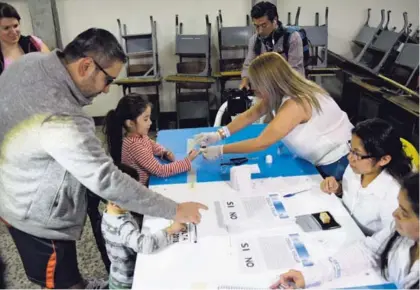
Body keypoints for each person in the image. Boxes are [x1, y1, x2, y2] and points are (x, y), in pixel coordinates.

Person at [0, 28, 207, 289]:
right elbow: (107, 180)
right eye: (108, 80)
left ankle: (78, 282)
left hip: (16, 184)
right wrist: (175, 209)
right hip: (33, 213)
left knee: (69, 273)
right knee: (60, 279)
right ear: (86, 66)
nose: (108, 90)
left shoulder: (31, 62)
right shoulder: (63, 118)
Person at [196, 52, 353, 181]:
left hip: (338, 163)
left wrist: (220, 150)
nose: (253, 88)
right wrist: (219, 134)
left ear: (268, 84)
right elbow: (252, 114)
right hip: (325, 157)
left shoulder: (296, 104)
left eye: (255, 83)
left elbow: (261, 143)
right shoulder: (283, 91)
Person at [271, 172, 419, 289]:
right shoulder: (399, 229)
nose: (394, 214)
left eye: (404, 212)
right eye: (399, 206)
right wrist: (309, 276)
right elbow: (368, 251)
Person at [102, 163, 188, 289]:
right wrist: (170, 230)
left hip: (117, 275)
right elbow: (145, 245)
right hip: (129, 282)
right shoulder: (123, 226)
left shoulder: (108, 214)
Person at [321, 119, 412, 236]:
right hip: (341, 227)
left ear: (384, 159)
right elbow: (352, 195)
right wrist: (337, 188)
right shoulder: (356, 167)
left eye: (357, 153)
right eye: (351, 149)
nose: (350, 158)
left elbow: (389, 239)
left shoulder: (393, 195)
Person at [104, 93, 200, 186]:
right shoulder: (134, 145)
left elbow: (152, 144)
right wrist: (187, 161)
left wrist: (164, 152)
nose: (150, 122)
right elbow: (161, 171)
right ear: (130, 123)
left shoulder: (139, 135)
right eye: (145, 119)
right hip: (142, 189)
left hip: (148, 182)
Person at [240, 1, 304, 90]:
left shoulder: (292, 37)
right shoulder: (254, 40)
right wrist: (245, 80)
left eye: (264, 25)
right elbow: (249, 65)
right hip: (266, 90)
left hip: (289, 88)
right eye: (256, 26)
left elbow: (295, 71)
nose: (260, 31)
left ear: (275, 20)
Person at [0, 2, 49, 74]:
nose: (13, 32)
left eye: (15, 26)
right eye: (6, 28)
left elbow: (52, 67)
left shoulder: (33, 42)